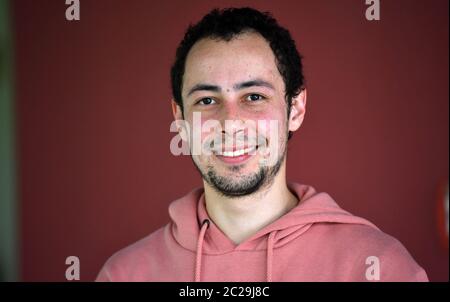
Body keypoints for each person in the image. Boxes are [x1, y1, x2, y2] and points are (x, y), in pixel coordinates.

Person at [96, 7, 428, 282]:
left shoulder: (379, 267)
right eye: (207, 100)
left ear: (295, 109)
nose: (230, 122)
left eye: (254, 96)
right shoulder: (124, 274)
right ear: (180, 118)